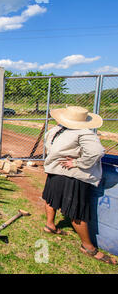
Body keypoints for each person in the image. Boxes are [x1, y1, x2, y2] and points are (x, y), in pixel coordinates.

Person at [43, 106, 116, 265]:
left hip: (54, 169)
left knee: (51, 199)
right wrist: (77, 162)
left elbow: (50, 147)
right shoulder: (84, 133)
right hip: (72, 174)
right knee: (77, 211)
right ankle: (88, 246)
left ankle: (50, 225)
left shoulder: (56, 130)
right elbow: (96, 152)